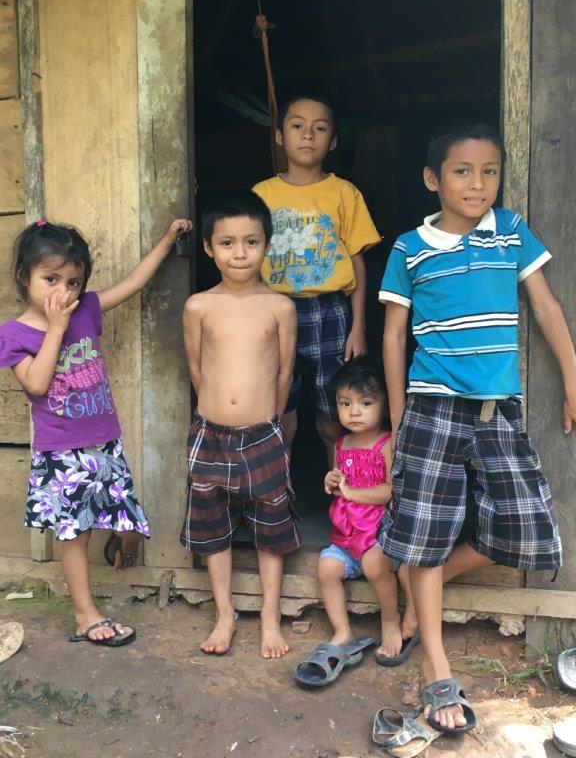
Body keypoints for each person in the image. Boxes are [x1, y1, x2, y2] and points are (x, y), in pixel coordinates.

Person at [379, 123, 574, 733]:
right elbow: (392, 335)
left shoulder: (511, 231)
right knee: (427, 537)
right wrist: (395, 414)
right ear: (432, 179)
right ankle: (435, 667)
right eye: (462, 171)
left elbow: (544, 305)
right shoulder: (410, 248)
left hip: (498, 410)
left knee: (514, 533)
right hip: (432, 408)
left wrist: (572, 378)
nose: (478, 183)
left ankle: (415, 583)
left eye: (490, 171)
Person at [0, 217, 192, 646]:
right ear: (23, 277)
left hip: (105, 440)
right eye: (51, 279)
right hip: (62, 453)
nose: (63, 293)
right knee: (76, 533)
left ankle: (120, 548)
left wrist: (165, 241)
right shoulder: (14, 333)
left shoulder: (85, 308)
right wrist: (55, 329)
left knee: (128, 525)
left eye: (73, 282)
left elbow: (133, 284)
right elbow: (36, 384)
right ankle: (84, 615)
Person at [179, 190, 300, 659]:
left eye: (251, 242)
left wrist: (270, 421)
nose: (240, 253)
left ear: (266, 244)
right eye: (227, 243)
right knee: (212, 526)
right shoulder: (198, 307)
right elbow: (196, 369)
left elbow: (285, 372)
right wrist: (219, 408)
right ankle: (224, 613)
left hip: (263, 433)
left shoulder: (279, 307)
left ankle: (270, 617)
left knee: (272, 526)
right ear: (209, 248)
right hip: (209, 432)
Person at [253, 94, 381, 461]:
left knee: (334, 419)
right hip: (276, 310)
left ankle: (343, 508)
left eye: (319, 128)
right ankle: (281, 507)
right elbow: (246, 260)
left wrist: (358, 326)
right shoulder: (262, 195)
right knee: (281, 417)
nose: (307, 135)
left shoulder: (344, 193)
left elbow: (357, 261)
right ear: (279, 136)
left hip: (331, 314)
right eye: (297, 126)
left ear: (333, 140)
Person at [295, 357, 418, 687]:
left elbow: (391, 492)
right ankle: (342, 630)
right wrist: (332, 481)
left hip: (379, 534)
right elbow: (340, 486)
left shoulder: (386, 443)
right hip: (346, 537)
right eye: (345, 403)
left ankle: (390, 622)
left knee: (376, 565)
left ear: (385, 405)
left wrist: (352, 492)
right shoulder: (341, 443)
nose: (354, 412)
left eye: (366, 403)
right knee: (326, 569)